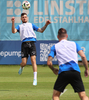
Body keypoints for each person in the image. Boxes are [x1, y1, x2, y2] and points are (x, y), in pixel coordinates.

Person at [47, 28, 89, 100]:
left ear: (58, 36)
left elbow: (49, 62)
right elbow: (83, 56)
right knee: (83, 95)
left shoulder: (55, 47)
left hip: (63, 72)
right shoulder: (74, 44)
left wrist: (53, 69)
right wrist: (87, 69)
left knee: (55, 96)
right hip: (75, 71)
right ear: (67, 35)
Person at [11, 13, 51, 86]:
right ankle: (22, 67)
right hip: (24, 45)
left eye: (25, 17)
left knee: (33, 60)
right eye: (23, 17)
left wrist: (46, 24)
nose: (24, 18)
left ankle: (35, 78)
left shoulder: (31, 25)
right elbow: (13, 31)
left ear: (27, 18)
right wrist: (13, 22)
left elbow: (41, 30)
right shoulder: (19, 26)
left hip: (32, 44)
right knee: (24, 63)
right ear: (21, 19)